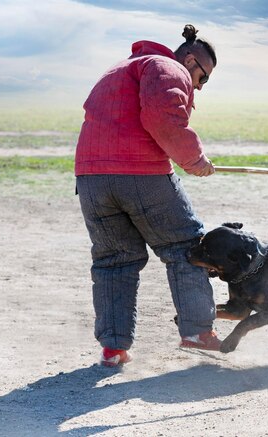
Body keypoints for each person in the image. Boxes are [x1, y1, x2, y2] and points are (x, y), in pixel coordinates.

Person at [74, 24, 221, 367]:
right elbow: (162, 119)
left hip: (92, 179)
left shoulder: (119, 69)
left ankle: (114, 348)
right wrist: (194, 161)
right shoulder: (167, 67)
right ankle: (198, 332)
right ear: (190, 59)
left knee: (114, 260)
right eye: (204, 78)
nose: (199, 86)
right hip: (140, 174)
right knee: (186, 246)